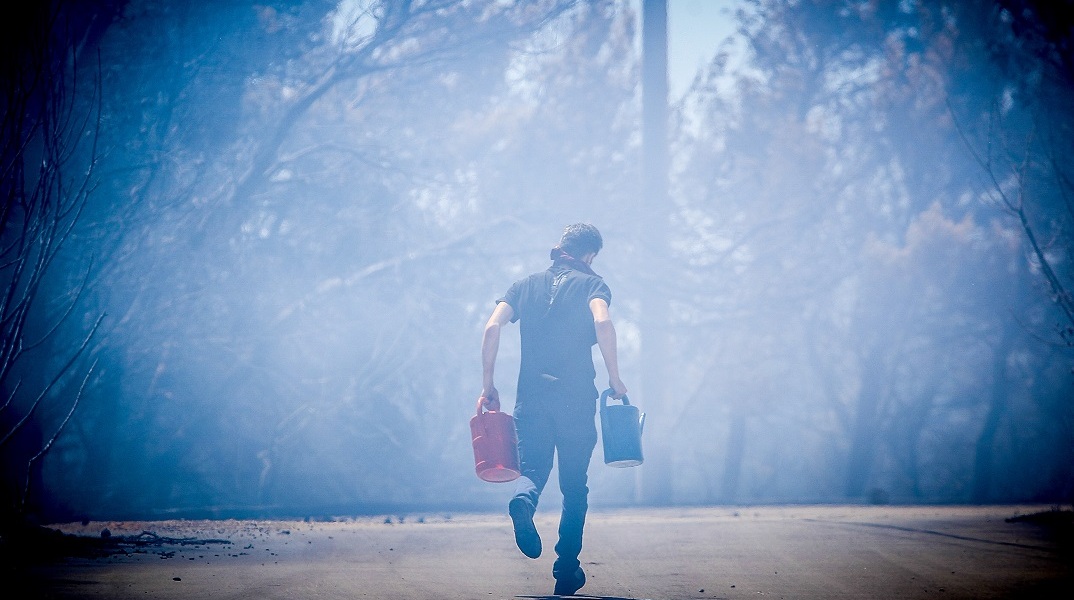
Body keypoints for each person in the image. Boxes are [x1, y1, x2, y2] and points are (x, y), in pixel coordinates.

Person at [480, 223, 628, 597]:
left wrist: (488, 385)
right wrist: (615, 378)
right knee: (574, 486)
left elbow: (492, 327)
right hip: (575, 400)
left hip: (531, 398)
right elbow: (603, 321)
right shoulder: (593, 285)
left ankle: (522, 501)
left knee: (532, 470)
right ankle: (566, 569)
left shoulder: (524, 286)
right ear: (590, 255)